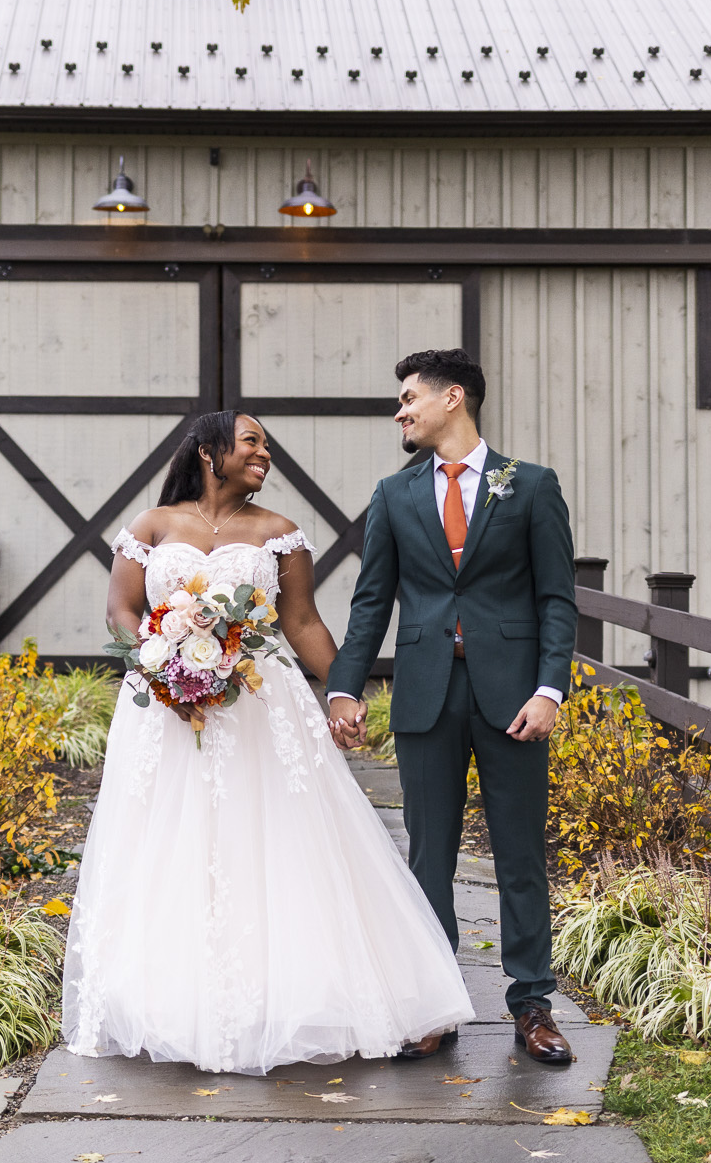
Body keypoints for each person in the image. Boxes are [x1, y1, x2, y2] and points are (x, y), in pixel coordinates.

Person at [61, 410, 473, 1076]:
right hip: (167, 707)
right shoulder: (150, 527)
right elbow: (122, 609)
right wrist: (158, 653)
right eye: (251, 441)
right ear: (207, 450)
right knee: (170, 843)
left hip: (260, 701)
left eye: (266, 445)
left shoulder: (279, 532)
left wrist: (344, 690)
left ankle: (293, 993)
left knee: (277, 839)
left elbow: (302, 619)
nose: (264, 453)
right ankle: (170, 999)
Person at [325, 348, 580, 1065]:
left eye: (409, 397)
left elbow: (557, 598)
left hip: (514, 699)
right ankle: (434, 1004)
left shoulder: (528, 486)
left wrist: (549, 688)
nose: (400, 410)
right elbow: (372, 600)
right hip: (426, 693)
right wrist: (346, 685)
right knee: (427, 854)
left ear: (453, 398)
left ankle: (532, 1005)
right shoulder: (394, 495)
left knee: (521, 854)